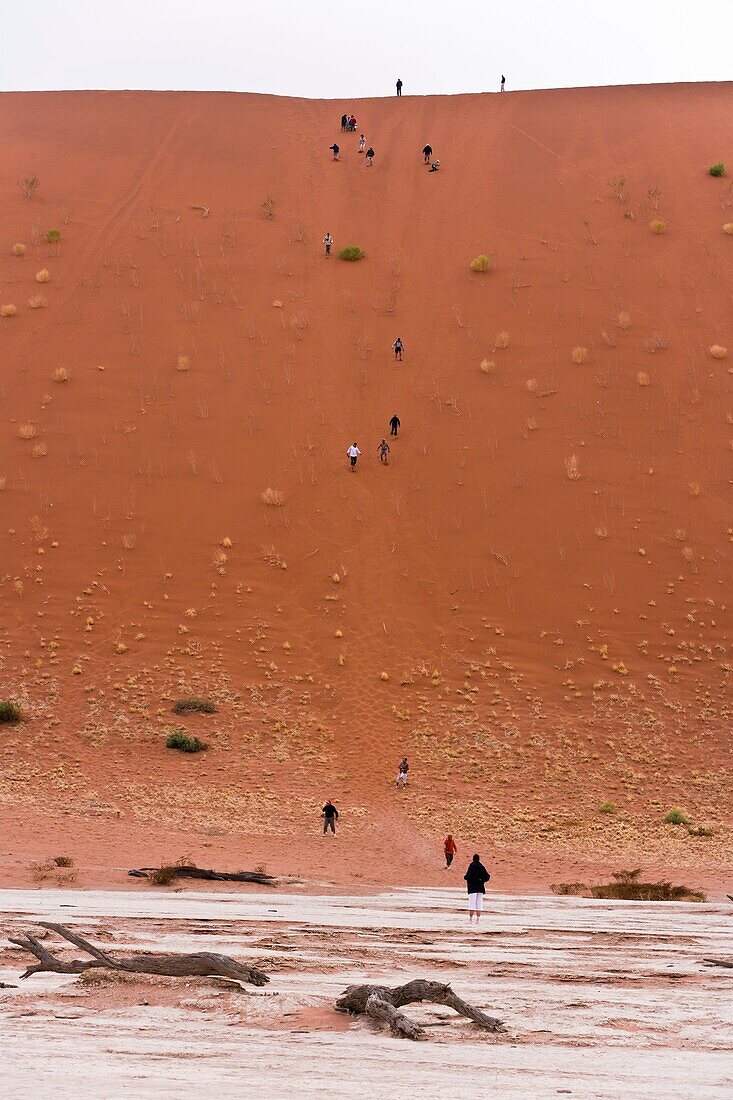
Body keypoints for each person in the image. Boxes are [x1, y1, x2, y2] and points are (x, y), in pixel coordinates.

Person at [464, 853, 491, 923]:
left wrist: (466, 877)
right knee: (479, 903)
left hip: (472, 888)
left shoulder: (472, 866)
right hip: (480, 888)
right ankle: (478, 920)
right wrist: (481, 880)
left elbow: (468, 876)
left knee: (472, 903)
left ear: (473, 859)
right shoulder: (481, 866)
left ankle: (470, 919)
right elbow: (487, 876)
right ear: (479, 859)